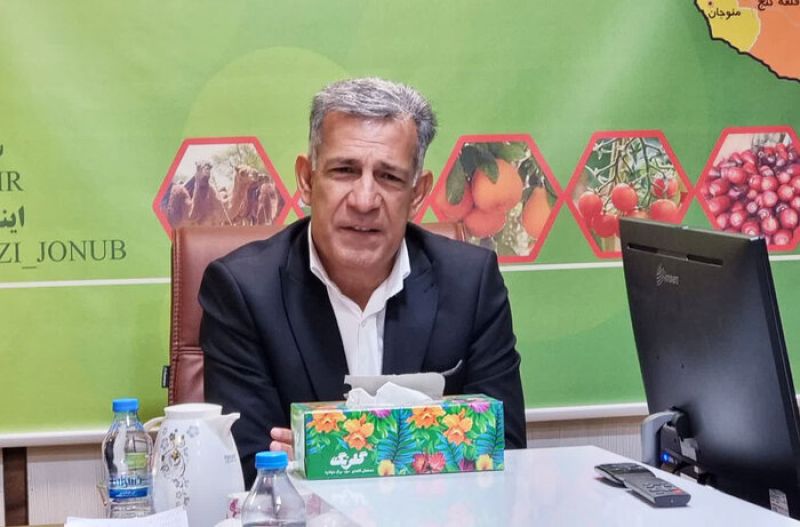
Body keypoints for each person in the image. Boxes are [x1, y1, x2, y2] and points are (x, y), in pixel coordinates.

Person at [199, 77, 526, 485]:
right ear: (307, 179)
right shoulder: (243, 291)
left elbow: (504, 451)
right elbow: (251, 469)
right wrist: (428, 444)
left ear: (417, 193)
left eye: (389, 177)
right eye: (344, 171)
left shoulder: (471, 284)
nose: (364, 200)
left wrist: (325, 450)